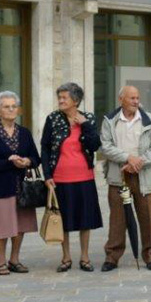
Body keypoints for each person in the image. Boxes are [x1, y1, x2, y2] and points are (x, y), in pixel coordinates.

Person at [100, 85, 151, 271]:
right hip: (118, 175)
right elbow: (106, 147)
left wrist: (138, 162)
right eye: (132, 98)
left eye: (137, 98)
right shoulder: (110, 120)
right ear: (121, 99)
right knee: (117, 220)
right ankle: (112, 257)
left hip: (143, 175)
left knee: (148, 218)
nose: (136, 101)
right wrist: (128, 158)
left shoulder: (149, 120)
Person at [41, 82, 102, 272]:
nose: (60, 100)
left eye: (64, 97)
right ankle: (66, 257)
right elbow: (45, 147)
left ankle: (85, 257)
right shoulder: (53, 119)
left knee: (86, 219)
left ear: (75, 100)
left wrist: (85, 125)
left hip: (84, 176)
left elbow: (94, 145)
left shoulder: (88, 118)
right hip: (60, 178)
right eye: (59, 97)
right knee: (63, 219)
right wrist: (47, 175)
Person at [0, 90, 41, 275]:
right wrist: (9, 162)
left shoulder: (25, 133)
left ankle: (14, 259)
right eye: (7, 107)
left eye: (14, 106)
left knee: (21, 225)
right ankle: (0, 261)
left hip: (23, 187)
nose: (11, 109)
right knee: (3, 225)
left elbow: (36, 158)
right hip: (1, 186)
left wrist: (27, 161)